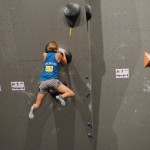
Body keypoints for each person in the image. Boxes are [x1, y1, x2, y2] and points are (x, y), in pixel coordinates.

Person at [29, 41, 75, 119]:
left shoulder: (44, 55)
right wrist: (63, 53)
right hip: (53, 82)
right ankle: (61, 97)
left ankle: (32, 109)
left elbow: (46, 60)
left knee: (38, 104)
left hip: (43, 83)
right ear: (56, 49)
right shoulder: (58, 55)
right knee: (71, 93)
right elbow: (64, 63)